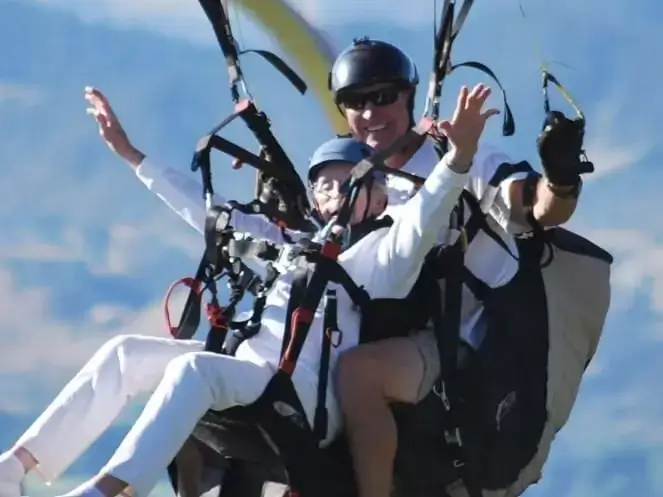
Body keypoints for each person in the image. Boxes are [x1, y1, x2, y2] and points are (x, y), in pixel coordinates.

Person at [0, 83, 498, 497]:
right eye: (323, 183)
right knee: (125, 352)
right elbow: (207, 213)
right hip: (253, 370)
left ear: (377, 193)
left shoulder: (383, 257)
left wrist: (459, 158)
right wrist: (133, 157)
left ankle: (107, 491)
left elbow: (428, 213)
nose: (333, 192)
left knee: (194, 368)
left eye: (347, 182)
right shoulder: (291, 239)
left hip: (305, 396)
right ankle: (14, 468)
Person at [326, 38, 595, 497]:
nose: (370, 113)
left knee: (357, 375)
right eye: (355, 101)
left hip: (453, 345)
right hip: (374, 328)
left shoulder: (464, 156)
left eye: (383, 96)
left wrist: (561, 177)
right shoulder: (343, 175)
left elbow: (536, 209)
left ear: (408, 97)